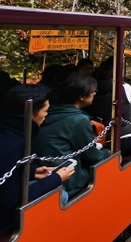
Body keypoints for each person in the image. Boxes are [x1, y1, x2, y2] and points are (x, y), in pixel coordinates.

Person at [0, 84, 75, 237]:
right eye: (45, 111)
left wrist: (32, 172)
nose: (46, 115)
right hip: (4, 221)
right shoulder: (14, 145)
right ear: (30, 113)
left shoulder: (8, 132)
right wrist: (56, 178)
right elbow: (13, 201)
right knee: (62, 195)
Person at [32, 73, 110, 200]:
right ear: (81, 96)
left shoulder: (50, 111)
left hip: (43, 170)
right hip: (68, 178)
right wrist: (108, 152)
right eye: (93, 91)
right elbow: (92, 157)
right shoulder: (78, 119)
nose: (95, 93)